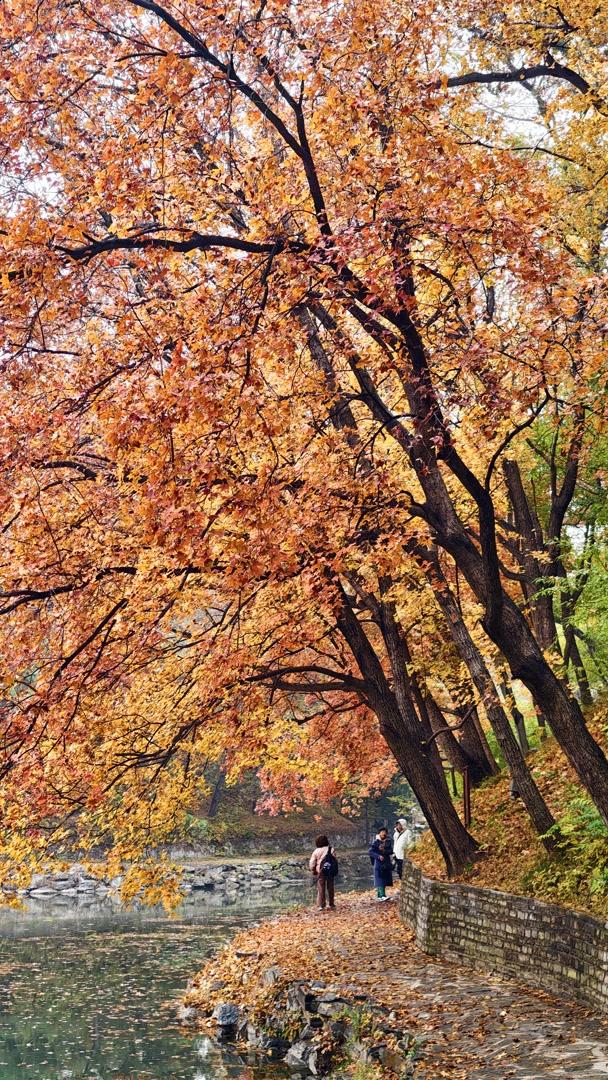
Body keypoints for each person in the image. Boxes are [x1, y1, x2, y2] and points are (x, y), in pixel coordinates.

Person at [309, 834, 336, 911]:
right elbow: (334, 860)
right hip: (330, 871)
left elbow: (312, 863)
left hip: (320, 872)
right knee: (330, 887)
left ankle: (321, 905)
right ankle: (331, 904)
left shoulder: (316, 851)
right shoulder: (331, 849)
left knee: (321, 888)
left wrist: (313, 870)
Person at [368, 827, 393, 901]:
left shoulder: (388, 841)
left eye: (385, 832)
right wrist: (378, 856)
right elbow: (370, 852)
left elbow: (391, 851)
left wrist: (384, 851)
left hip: (386, 863)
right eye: (382, 832)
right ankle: (381, 895)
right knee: (380, 880)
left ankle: (381, 895)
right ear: (379, 833)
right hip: (379, 864)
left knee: (385, 879)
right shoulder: (376, 842)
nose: (383, 833)